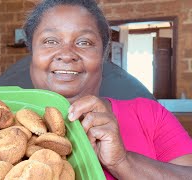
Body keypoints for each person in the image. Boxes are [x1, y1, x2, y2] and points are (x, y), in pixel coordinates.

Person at [23, 0, 192, 179]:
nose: (67, 54)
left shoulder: (150, 116)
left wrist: (122, 163)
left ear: (103, 55)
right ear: (32, 53)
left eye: (84, 42)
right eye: (50, 41)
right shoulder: (3, 123)